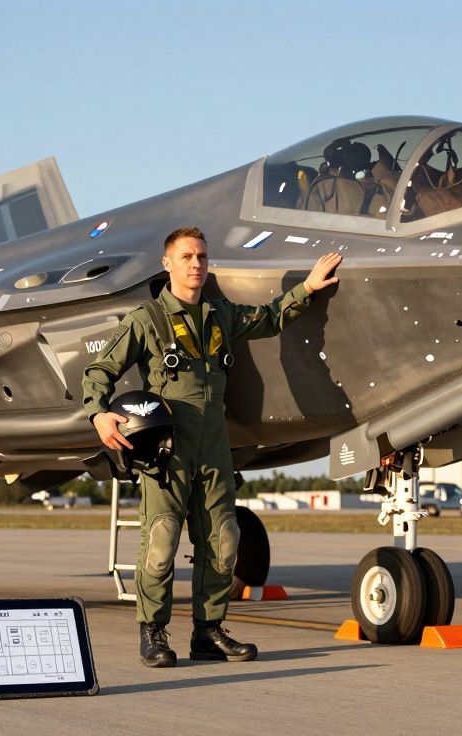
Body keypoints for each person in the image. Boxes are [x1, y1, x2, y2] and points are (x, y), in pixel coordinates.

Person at [82, 226, 341, 667]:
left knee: (224, 541)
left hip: (214, 446)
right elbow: (100, 371)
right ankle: (154, 633)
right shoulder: (147, 321)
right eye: (186, 257)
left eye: (201, 256)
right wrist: (98, 413)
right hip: (167, 450)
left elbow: (271, 316)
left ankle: (208, 631)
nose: (196, 264)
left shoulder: (219, 314)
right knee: (161, 541)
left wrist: (307, 289)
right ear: (167, 264)